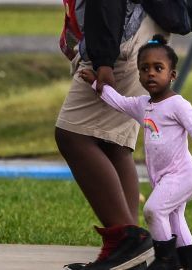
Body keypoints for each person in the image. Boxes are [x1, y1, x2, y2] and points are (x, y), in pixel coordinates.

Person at [79, 34, 192, 270]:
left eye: (158, 68)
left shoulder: (178, 105)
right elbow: (119, 102)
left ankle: (166, 261)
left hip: (182, 175)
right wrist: (95, 83)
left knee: (153, 210)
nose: (150, 73)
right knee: (175, 219)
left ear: (172, 75)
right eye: (144, 69)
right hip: (164, 178)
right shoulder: (144, 105)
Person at [54, 1, 169, 270]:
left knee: (72, 134)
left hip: (120, 35)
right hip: (137, 27)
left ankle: (126, 242)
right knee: (113, 143)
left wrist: (103, 59)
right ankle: (130, 259)